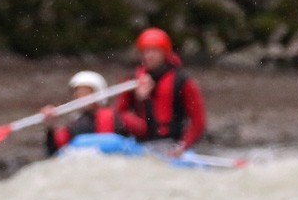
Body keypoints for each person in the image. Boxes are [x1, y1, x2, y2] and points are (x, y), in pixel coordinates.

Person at [114, 27, 207, 158]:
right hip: (141, 143)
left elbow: (198, 122)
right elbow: (118, 113)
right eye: (145, 51)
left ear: (165, 53)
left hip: (170, 143)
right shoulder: (132, 80)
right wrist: (141, 99)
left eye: (154, 51)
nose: (149, 55)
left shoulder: (182, 81)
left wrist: (182, 146)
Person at [43, 70, 122, 155]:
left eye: (85, 92)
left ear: (98, 93)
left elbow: (107, 145)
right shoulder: (76, 122)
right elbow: (57, 150)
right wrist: (51, 125)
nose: (80, 97)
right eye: (78, 93)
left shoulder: (109, 115)